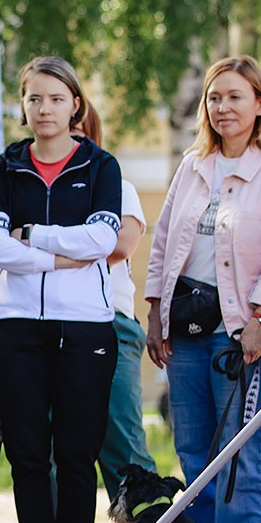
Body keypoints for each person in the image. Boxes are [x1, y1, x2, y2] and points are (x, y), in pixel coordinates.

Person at [143, 56, 261, 523]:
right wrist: (154, 310)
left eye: (235, 96)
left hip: (246, 335)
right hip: (187, 328)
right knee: (194, 457)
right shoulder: (193, 166)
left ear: (259, 103)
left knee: (241, 459)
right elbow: (163, 241)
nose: (223, 107)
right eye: (215, 97)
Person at [0, 57, 123, 523]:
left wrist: (34, 236)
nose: (44, 109)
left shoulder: (100, 164)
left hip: (84, 323)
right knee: (28, 453)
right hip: (14, 325)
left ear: (75, 106)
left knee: (76, 452)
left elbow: (104, 238)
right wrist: (59, 256)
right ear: (23, 105)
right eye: (34, 99)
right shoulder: (5, 166)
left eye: (55, 99)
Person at [78, 100, 157, 501]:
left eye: (77, 129)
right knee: (56, 455)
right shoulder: (27, 188)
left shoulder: (116, 186)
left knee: (124, 447)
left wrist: (41, 246)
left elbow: (122, 244)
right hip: (48, 327)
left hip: (111, 323)